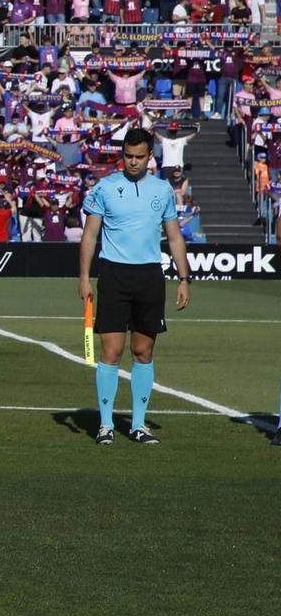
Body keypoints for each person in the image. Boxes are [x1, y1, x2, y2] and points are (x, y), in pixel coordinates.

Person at [78, 127, 190, 446]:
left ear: (150, 157)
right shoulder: (105, 188)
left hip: (149, 277)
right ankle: (105, 425)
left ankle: (139, 425)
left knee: (143, 351)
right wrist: (84, 277)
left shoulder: (161, 190)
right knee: (111, 351)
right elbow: (89, 236)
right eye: (128, 156)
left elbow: (174, 236)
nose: (133, 162)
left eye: (139, 157)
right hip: (113, 275)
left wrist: (184, 278)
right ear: (122, 154)